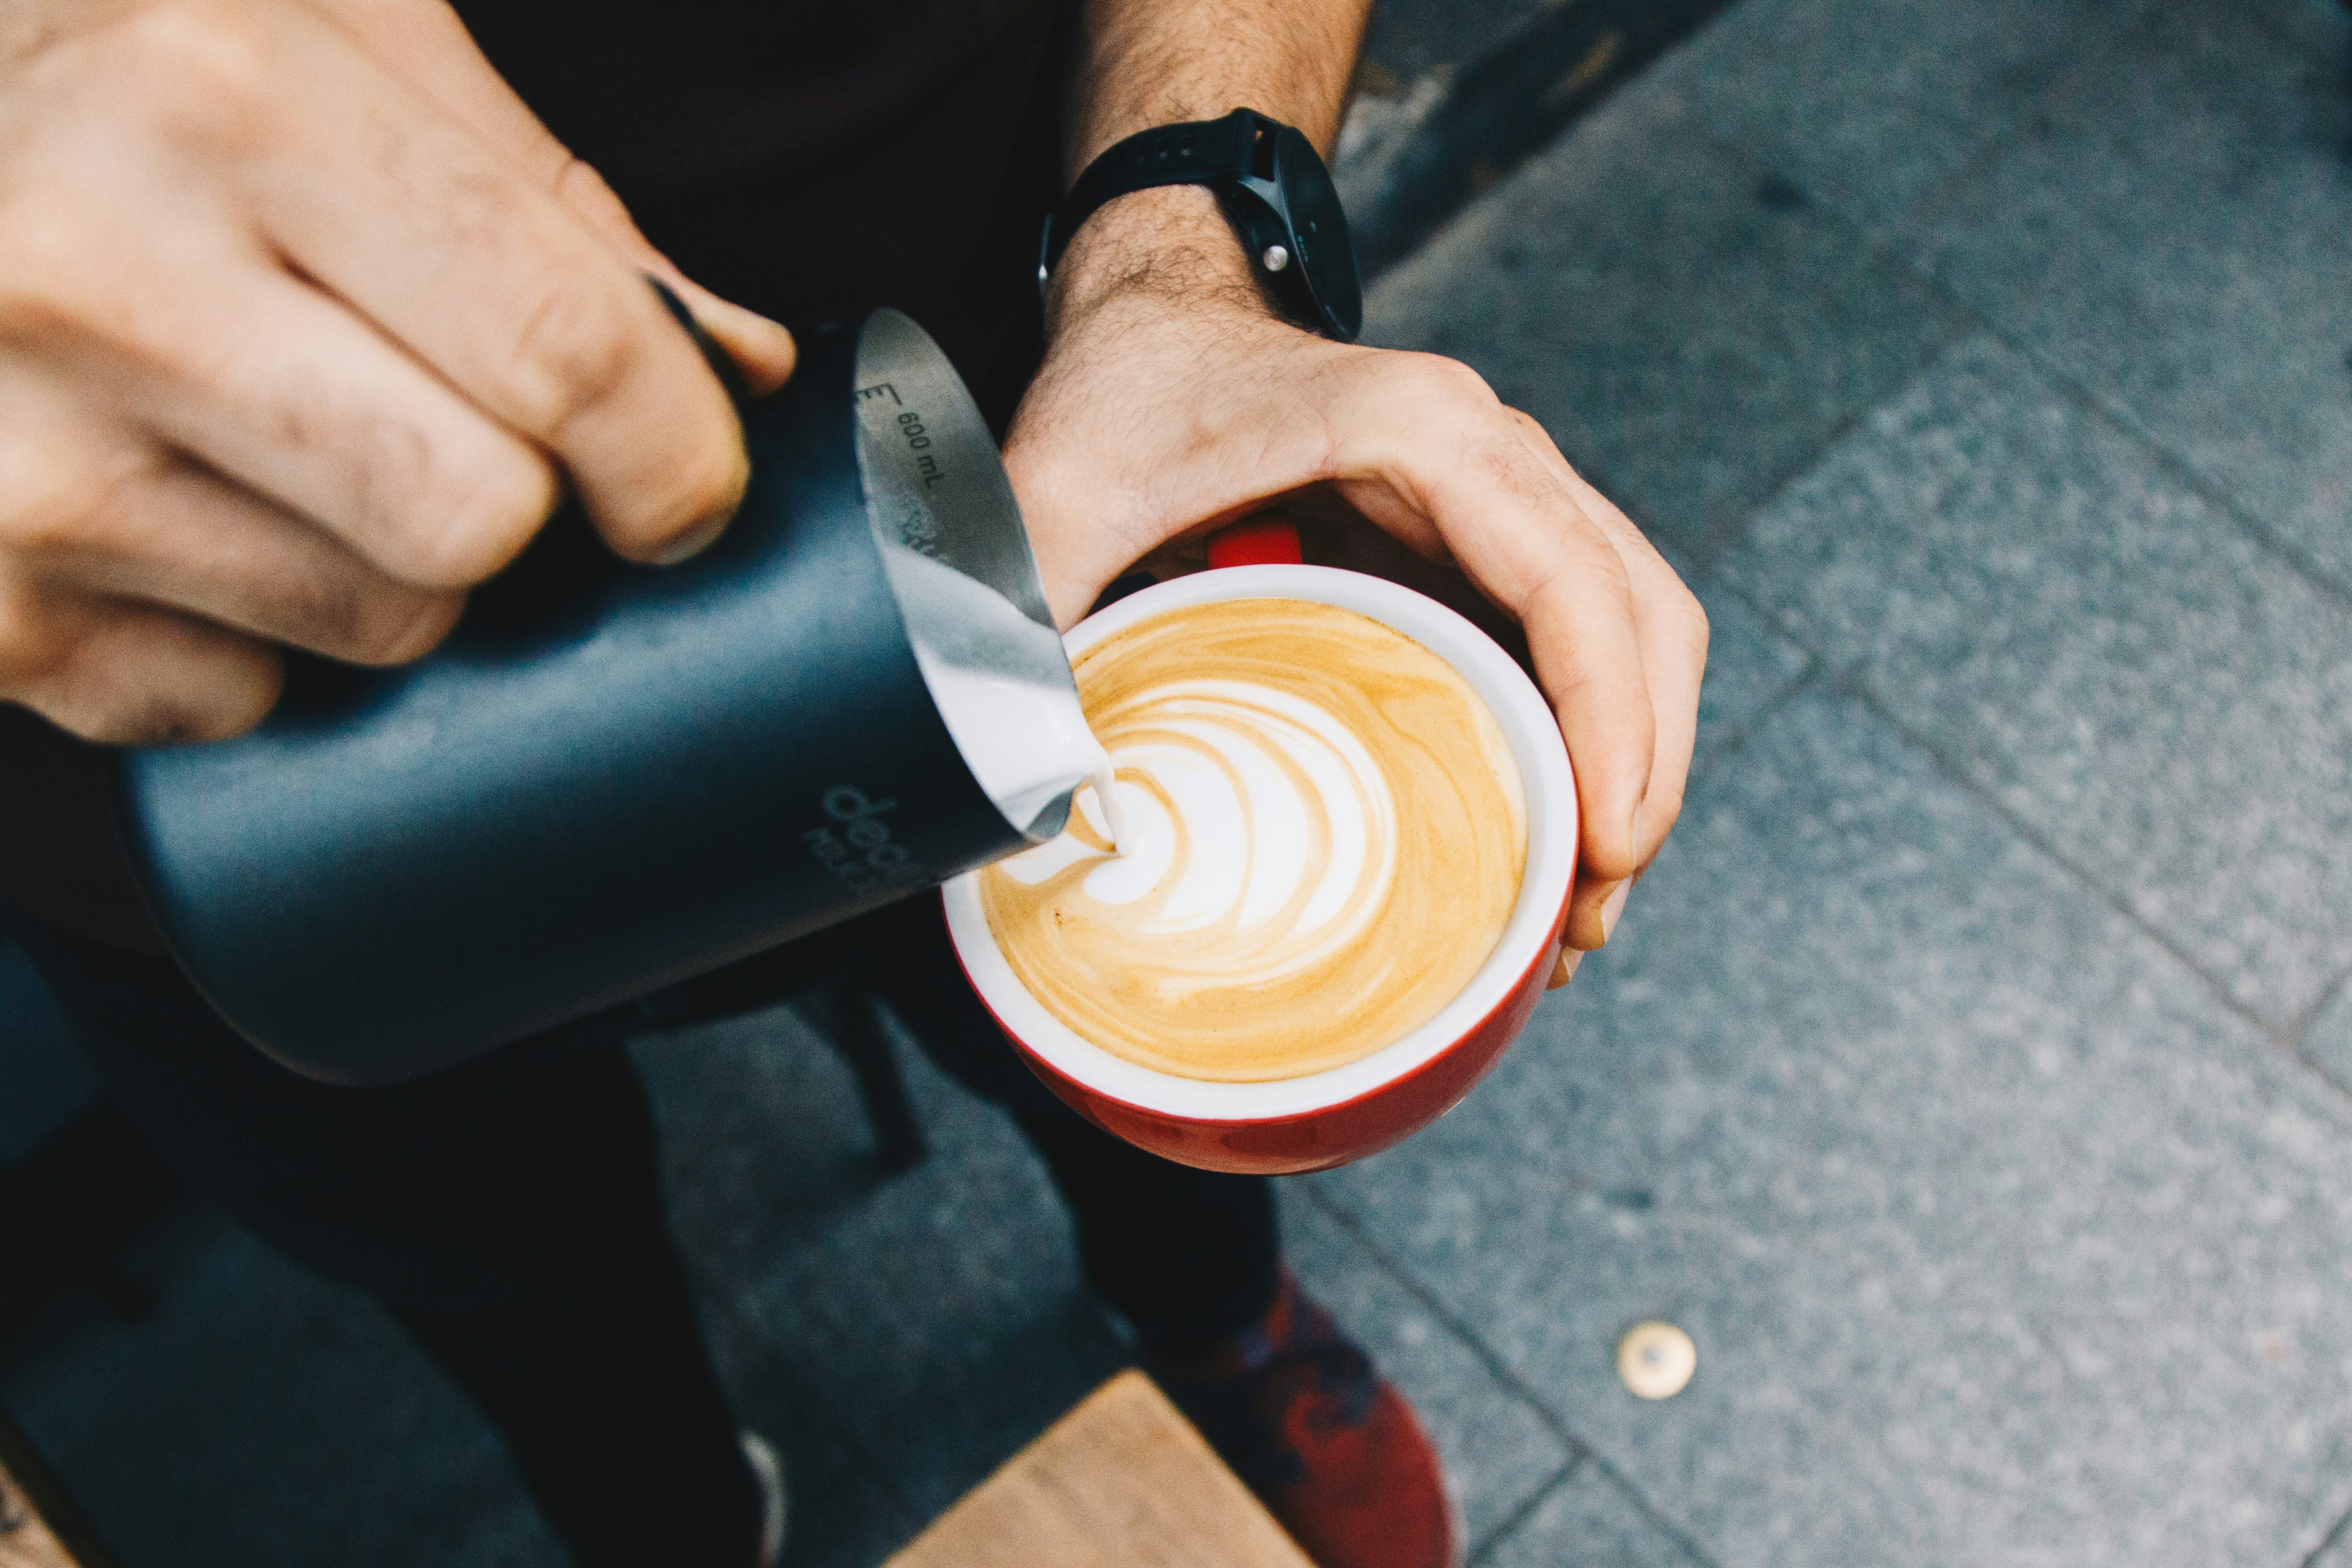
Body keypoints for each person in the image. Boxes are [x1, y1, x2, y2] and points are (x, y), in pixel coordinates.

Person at [0, 0, 1709, 1564]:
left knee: (1113, 1083)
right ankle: (661, 1513)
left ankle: (1210, 1322)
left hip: (988, 536)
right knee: (502, 1271)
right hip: (195, 794)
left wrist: (1177, 256)